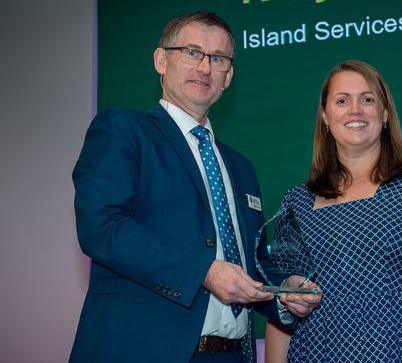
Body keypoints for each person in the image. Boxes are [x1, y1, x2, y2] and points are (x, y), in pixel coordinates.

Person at [70, 11, 319, 363]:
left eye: (217, 59)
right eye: (192, 52)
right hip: (139, 350)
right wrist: (203, 271)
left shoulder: (241, 167)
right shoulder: (123, 130)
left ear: (228, 76)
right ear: (161, 60)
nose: (204, 68)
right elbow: (101, 227)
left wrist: (283, 292)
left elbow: (253, 262)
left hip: (232, 355)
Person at [265, 60, 402, 363]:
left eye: (367, 99)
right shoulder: (297, 202)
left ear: (384, 114)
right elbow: (283, 309)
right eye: (342, 101)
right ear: (325, 116)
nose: (355, 110)